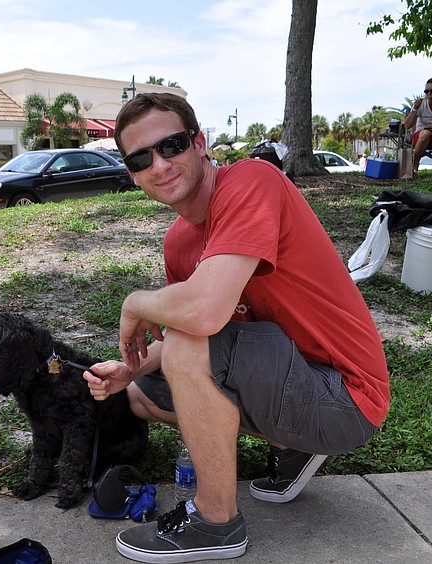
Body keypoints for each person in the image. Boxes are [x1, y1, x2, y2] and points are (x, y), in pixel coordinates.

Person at [83, 93, 390, 562]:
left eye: (171, 145)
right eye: (141, 158)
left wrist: (136, 301)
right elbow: (197, 337)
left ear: (200, 142)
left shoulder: (251, 180)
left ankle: (216, 522)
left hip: (345, 398)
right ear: (132, 172)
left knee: (187, 343)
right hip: (289, 380)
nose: (159, 165)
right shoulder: (179, 242)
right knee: (142, 393)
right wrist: (133, 368)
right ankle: (291, 443)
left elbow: (201, 318)